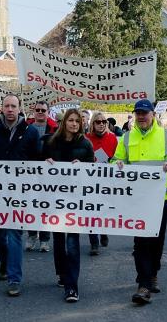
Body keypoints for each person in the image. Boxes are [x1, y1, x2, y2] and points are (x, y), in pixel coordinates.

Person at [114, 99, 167, 305]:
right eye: (138, 113)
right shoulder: (127, 137)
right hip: (136, 198)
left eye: (145, 113)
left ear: (153, 115)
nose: (141, 116)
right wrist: (117, 163)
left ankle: (152, 274)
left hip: (160, 197)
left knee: (156, 240)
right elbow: (115, 160)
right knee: (141, 241)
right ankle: (144, 284)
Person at [0, 94, 39, 296]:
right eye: (7, 106)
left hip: (20, 194)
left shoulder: (31, 133)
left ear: (19, 108)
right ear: (2, 108)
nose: (10, 109)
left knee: (14, 233)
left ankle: (14, 279)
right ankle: (4, 263)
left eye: (14, 106)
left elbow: (38, 160)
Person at [43, 108, 94, 303]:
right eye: (71, 120)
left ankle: (72, 286)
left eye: (77, 121)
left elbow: (93, 169)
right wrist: (45, 161)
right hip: (55, 199)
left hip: (76, 200)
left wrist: (83, 165)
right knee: (58, 239)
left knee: (72, 241)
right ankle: (62, 274)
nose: (74, 124)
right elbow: (38, 164)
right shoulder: (51, 142)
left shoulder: (85, 144)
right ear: (64, 122)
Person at [25, 100, 57, 252]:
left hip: (48, 174)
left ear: (48, 112)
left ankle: (44, 239)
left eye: (43, 110)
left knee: (45, 206)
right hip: (30, 172)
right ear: (33, 111)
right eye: (37, 109)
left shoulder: (55, 128)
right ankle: (32, 236)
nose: (40, 112)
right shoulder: (25, 127)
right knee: (31, 205)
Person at [85, 112, 118, 255]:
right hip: (89, 181)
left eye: (104, 121)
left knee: (103, 210)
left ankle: (103, 230)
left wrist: (100, 158)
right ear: (92, 123)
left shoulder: (112, 138)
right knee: (91, 211)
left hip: (107, 181)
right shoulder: (86, 139)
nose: (101, 124)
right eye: (98, 121)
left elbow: (114, 158)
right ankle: (94, 243)